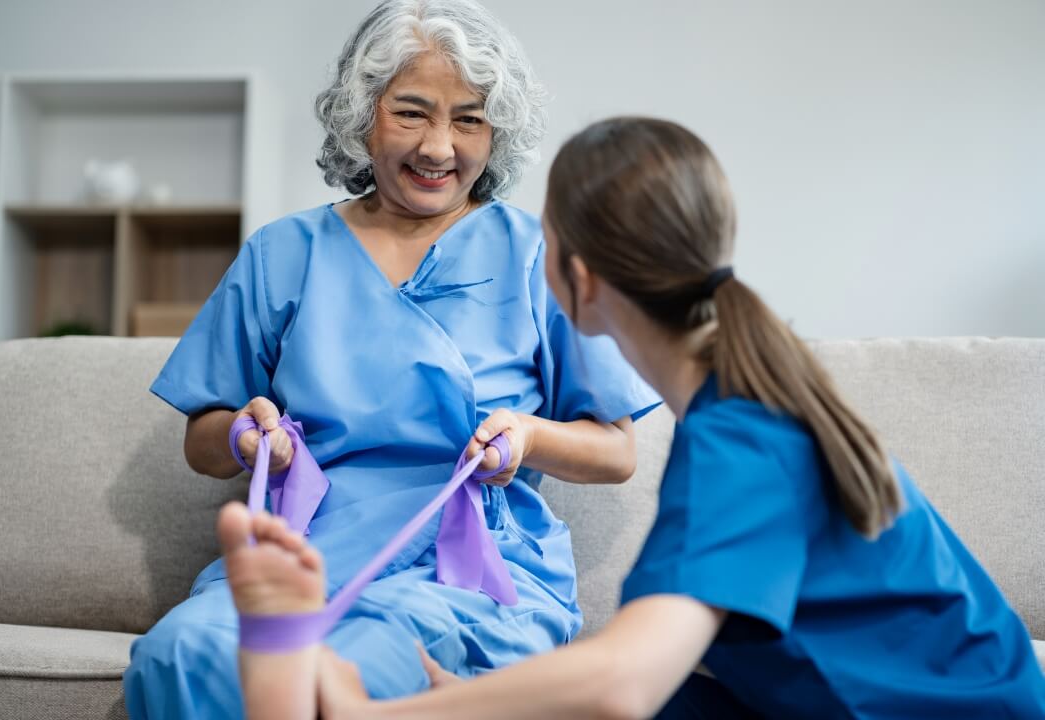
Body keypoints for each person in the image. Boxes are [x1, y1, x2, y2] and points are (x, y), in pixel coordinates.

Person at [221, 116, 1045, 719]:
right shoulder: (738, 408)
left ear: (577, 280)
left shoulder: (744, 441)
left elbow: (624, 682)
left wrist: (383, 716)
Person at [122, 1, 659, 716]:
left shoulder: (537, 254)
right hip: (308, 551)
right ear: (361, 115)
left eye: (469, 119)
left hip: (465, 570)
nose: (439, 147)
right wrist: (246, 437)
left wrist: (528, 437)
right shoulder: (284, 254)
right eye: (411, 113)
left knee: (356, 665)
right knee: (178, 654)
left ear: (496, 132)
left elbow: (618, 450)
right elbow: (204, 442)